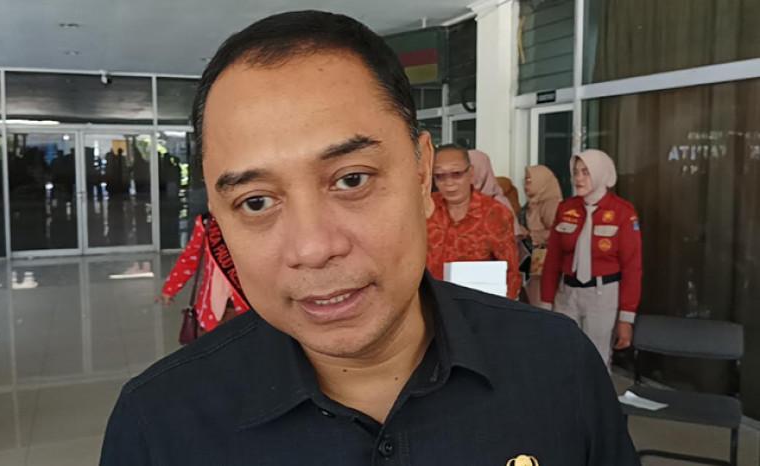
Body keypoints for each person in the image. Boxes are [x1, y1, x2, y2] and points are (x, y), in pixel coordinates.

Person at [101, 11, 638, 466]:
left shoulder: (556, 364)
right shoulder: (159, 427)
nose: (314, 248)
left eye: (352, 179)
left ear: (422, 175)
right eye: (257, 202)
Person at [540, 149, 642, 366]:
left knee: (596, 359)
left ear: (601, 173)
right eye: (576, 172)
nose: (578, 178)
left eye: (586, 172)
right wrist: (546, 302)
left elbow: (632, 267)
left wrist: (626, 317)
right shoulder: (566, 209)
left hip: (602, 295)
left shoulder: (623, 212)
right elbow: (552, 261)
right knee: (562, 356)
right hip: (567, 294)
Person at [426, 145, 522, 299]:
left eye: (456, 174)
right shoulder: (424, 209)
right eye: (440, 176)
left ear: (470, 173)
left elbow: (510, 273)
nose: (449, 183)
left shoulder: (495, 213)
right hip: (430, 302)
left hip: (477, 305)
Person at [159, 213, 250, 334]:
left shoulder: (260, 221)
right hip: (212, 307)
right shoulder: (207, 223)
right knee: (212, 341)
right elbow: (190, 258)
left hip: (249, 304)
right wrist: (170, 288)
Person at [521, 165, 563, 306]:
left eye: (530, 181)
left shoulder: (551, 204)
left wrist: (531, 234)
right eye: (525, 180)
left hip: (545, 261)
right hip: (533, 260)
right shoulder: (533, 203)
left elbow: (557, 232)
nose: (526, 185)